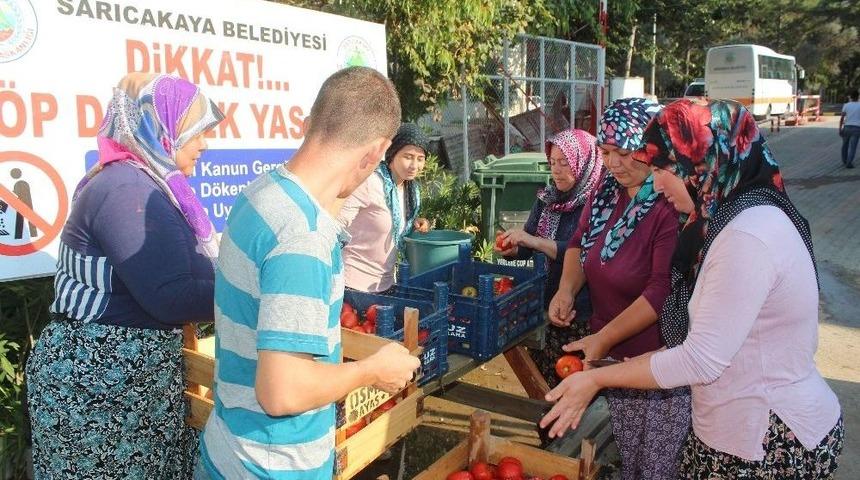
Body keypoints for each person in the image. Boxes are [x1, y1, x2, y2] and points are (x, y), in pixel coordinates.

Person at [540, 99, 844, 479]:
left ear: (702, 165)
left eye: (665, 169)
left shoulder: (746, 236)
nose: (658, 182)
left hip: (766, 437)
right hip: (741, 429)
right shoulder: (733, 218)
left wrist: (597, 377)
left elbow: (701, 358)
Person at [197, 67, 421, 480]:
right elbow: (281, 391)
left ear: (312, 121)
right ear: (376, 153)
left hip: (230, 449)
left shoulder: (262, 194)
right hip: (271, 466)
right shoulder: (303, 236)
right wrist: (372, 370)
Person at [26, 73, 224, 479]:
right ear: (159, 126)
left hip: (129, 385)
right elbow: (171, 296)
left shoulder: (148, 185)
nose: (205, 144)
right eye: (196, 131)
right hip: (98, 389)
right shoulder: (127, 188)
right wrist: (255, 292)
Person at [547, 98, 690, 479]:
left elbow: (661, 291)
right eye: (606, 152)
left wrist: (604, 339)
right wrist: (565, 290)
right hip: (610, 356)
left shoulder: (668, 203)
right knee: (631, 456)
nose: (613, 163)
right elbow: (579, 244)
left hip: (656, 364)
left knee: (656, 466)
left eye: (625, 153)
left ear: (651, 151)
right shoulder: (605, 192)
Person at [494, 128, 603, 387]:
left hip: (579, 313)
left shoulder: (598, 204)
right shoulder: (547, 199)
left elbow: (585, 253)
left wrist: (533, 241)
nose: (556, 170)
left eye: (565, 163)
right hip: (543, 304)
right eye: (552, 163)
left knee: (574, 382)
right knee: (542, 381)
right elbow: (529, 244)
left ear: (584, 162)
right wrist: (513, 249)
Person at [338, 123, 431, 293]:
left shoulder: (411, 191)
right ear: (392, 154)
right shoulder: (370, 182)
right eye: (408, 156)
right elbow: (336, 224)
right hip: (352, 284)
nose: (414, 165)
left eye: (420, 159)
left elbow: (393, 224)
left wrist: (415, 224)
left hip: (387, 284)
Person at [839, 89, 860, 168]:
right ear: (858, 97)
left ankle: (844, 160)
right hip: (857, 129)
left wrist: (840, 129)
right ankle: (849, 162)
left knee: (844, 145)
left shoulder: (846, 105)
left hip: (847, 127)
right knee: (853, 147)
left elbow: (842, 118)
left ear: (851, 97)